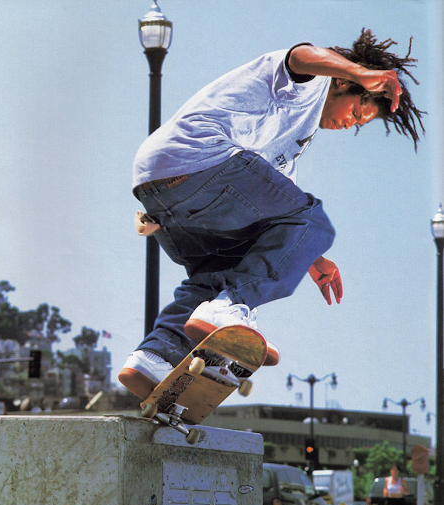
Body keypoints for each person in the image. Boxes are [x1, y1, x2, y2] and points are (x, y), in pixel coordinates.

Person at [119, 28, 424, 400]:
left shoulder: (289, 144)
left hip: (162, 186)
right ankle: (230, 310)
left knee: (219, 272)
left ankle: (155, 356)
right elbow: (300, 56)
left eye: (360, 124)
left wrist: (310, 256)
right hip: (200, 161)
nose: (352, 123)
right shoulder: (309, 84)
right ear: (344, 82)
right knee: (314, 220)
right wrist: (362, 73)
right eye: (359, 110)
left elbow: (277, 216)